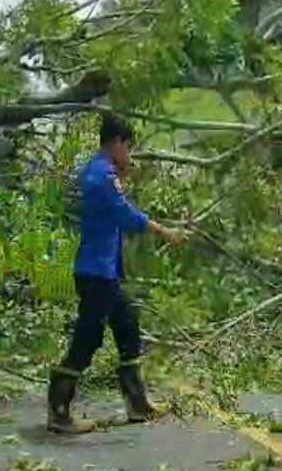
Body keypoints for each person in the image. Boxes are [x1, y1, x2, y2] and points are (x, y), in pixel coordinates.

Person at [48, 112, 186, 434]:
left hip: (105, 271)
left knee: (127, 326)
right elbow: (126, 215)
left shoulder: (101, 172)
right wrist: (164, 231)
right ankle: (59, 410)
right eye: (129, 148)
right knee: (87, 339)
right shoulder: (102, 176)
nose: (130, 155)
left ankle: (138, 405)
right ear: (119, 143)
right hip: (96, 273)